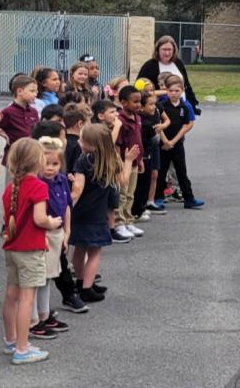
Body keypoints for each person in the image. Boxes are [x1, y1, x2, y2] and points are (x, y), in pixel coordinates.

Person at [0, 138, 57, 365]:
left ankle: (11, 339)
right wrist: (52, 223)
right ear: (38, 160)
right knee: (26, 298)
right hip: (30, 249)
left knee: (11, 295)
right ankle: (22, 348)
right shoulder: (38, 186)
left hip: (13, 247)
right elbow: (40, 219)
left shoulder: (11, 188)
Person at [71, 124, 134, 303]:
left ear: (93, 145)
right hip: (97, 214)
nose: (79, 141)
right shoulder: (110, 160)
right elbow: (123, 182)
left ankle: (81, 280)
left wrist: (68, 200)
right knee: (94, 253)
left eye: (82, 139)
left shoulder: (83, 160)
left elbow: (78, 189)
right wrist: (128, 160)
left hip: (80, 212)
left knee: (79, 248)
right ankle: (87, 288)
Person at [32, 137, 72, 336]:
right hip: (43, 233)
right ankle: (33, 320)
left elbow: (66, 207)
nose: (51, 168)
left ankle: (44, 314)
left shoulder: (62, 179)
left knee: (48, 276)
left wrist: (67, 232)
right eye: (46, 163)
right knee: (37, 278)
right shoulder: (37, 183)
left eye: (55, 164)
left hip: (57, 233)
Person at [157, 74, 203, 210]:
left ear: (182, 90)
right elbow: (158, 124)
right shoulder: (161, 106)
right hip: (163, 145)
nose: (173, 93)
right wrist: (166, 141)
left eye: (176, 91)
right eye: (170, 90)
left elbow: (188, 124)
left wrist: (173, 141)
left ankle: (189, 199)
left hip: (177, 144)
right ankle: (158, 198)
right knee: (161, 171)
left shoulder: (185, 106)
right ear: (166, 91)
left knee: (181, 172)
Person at [113, 86, 146, 237]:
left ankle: (128, 220)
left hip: (134, 161)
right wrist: (120, 164)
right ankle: (119, 223)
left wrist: (140, 160)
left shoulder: (138, 118)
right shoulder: (120, 121)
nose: (138, 105)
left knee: (131, 194)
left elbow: (138, 140)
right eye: (135, 102)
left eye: (140, 101)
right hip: (123, 163)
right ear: (123, 102)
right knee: (122, 194)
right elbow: (117, 145)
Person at [136, 36, 200, 110]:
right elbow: (140, 89)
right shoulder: (150, 66)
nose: (167, 53)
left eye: (169, 49)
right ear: (157, 50)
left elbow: (187, 85)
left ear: (174, 50)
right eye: (164, 50)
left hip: (182, 107)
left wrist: (193, 104)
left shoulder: (178, 63)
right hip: (161, 109)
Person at [140, 90, 169, 212]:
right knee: (144, 176)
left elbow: (162, 125)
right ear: (142, 106)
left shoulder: (156, 112)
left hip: (155, 147)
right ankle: (141, 202)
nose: (154, 107)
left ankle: (150, 201)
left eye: (154, 104)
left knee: (154, 174)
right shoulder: (141, 118)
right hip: (145, 148)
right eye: (150, 104)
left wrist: (166, 141)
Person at [0, 74, 40, 148]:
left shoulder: (34, 112)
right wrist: (3, 135)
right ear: (19, 91)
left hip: (31, 151)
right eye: (32, 91)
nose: (35, 94)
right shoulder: (8, 112)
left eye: (36, 92)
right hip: (14, 153)